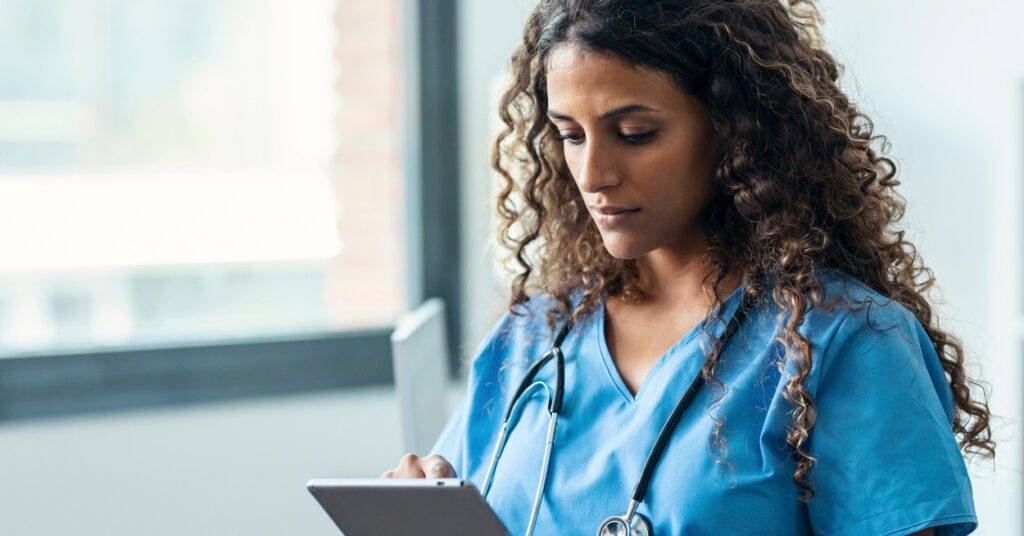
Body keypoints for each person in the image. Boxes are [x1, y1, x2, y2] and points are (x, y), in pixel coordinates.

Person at [381, 0, 994, 534]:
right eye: (571, 135)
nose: (593, 175)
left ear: (734, 127)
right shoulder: (532, 338)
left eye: (634, 133)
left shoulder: (848, 343)